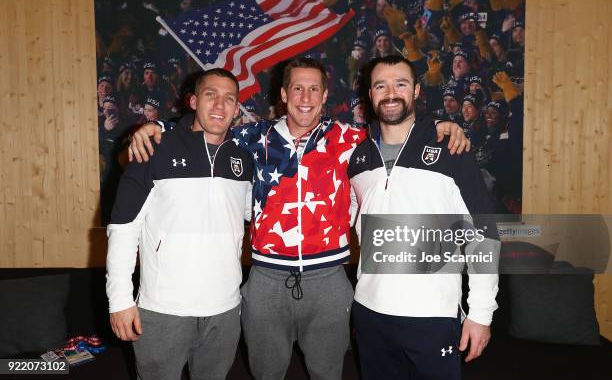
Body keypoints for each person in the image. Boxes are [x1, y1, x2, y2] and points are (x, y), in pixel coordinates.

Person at [128, 57, 469, 380]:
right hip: (265, 281)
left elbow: (399, 126)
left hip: (330, 282)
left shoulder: (350, 138)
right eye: (297, 89)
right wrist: (158, 126)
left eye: (314, 90)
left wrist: (439, 124)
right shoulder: (250, 137)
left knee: (328, 373)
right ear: (283, 94)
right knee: (266, 373)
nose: (305, 98)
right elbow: (206, 126)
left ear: (324, 96)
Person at [348, 54, 499, 380]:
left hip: (432, 317)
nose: (390, 92)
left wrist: (481, 314)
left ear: (416, 90)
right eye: (380, 85)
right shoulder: (358, 157)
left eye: (400, 83)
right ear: (370, 95)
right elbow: (355, 219)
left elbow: (483, 234)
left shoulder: (451, 149)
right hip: (369, 312)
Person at [106, 68, 253, 380]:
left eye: (229, 99)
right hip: (162, 311)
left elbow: (253, 216)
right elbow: (123, 227)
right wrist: (119, 300)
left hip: (224, 310)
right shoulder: (154, 149)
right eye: (211, 95)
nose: (220, 105)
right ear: (193, 100)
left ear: (237, 108)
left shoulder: (244, 159)